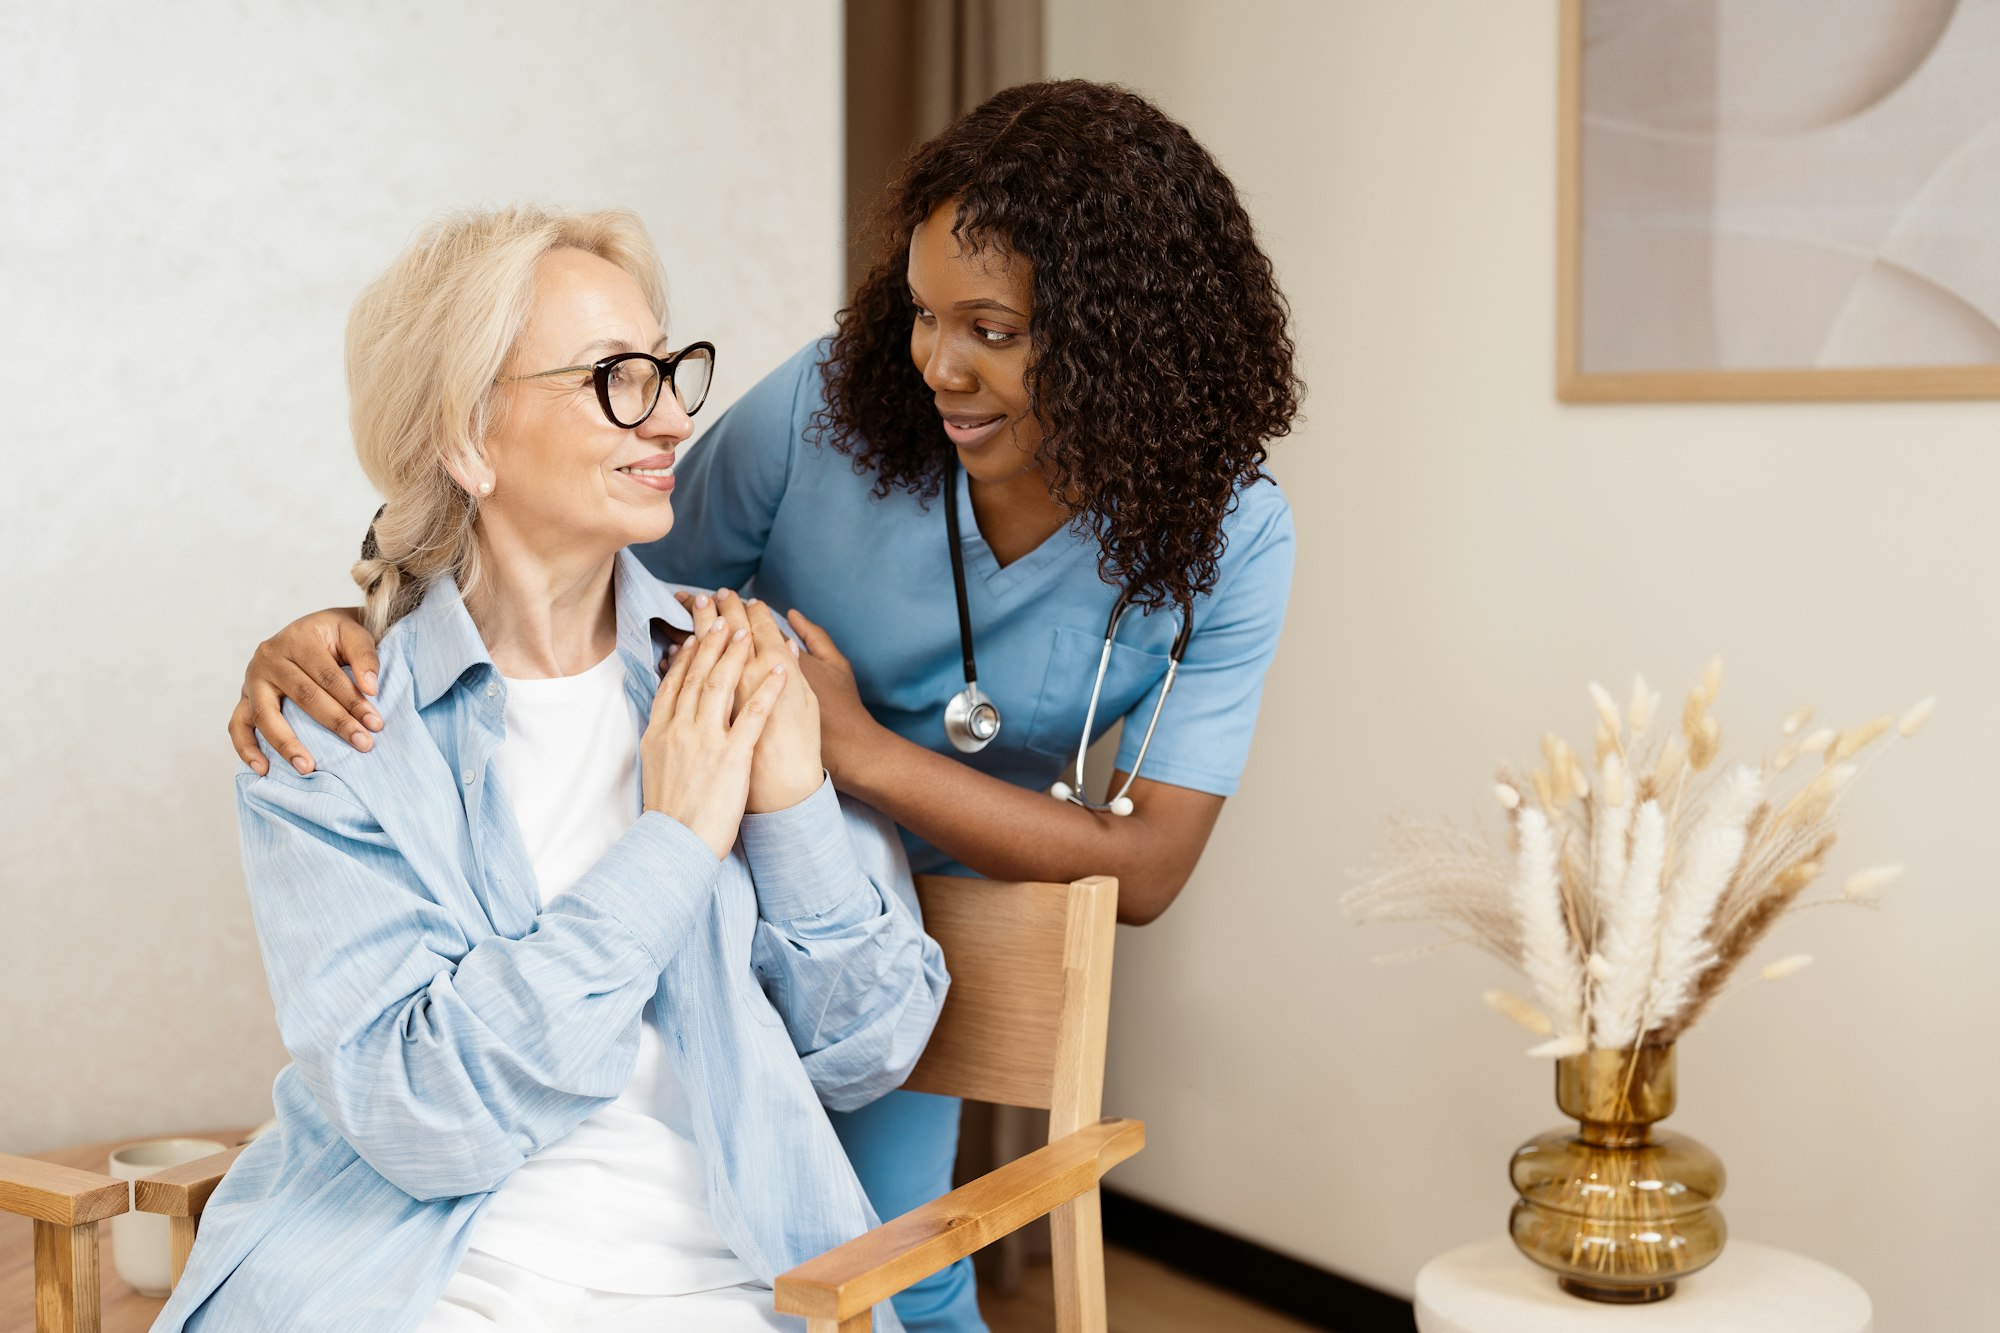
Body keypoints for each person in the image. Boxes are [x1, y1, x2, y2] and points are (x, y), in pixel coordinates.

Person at [230, 80, 1301, 1333]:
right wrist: (365, 602)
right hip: (730, 816)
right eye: (920, 314)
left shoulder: (1226, 539)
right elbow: (591, 530)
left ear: (1117, 339)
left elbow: (1140, 869)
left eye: (993, 331)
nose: (936, 364)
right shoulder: (827, 414)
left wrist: (833, 759)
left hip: (827, 847)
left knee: (903, 1256)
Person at [164, 206, 947, 1333]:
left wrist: (792, 806)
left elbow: (863, 1051)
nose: (674, 414)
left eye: (671, 369)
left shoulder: (736, 669)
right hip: (406, 1286)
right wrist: (669, 848)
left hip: (723, 1288)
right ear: (468, 436)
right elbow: (419, 1115)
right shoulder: (328, 733)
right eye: (615, 377)